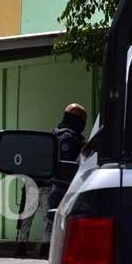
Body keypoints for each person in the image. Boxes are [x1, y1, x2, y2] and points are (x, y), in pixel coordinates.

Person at [47, 104, 87, 244]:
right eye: (82, 120)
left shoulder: (58, 134)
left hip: (59, 187)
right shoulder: (67, 137)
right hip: (64, 188)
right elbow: (67, 163)